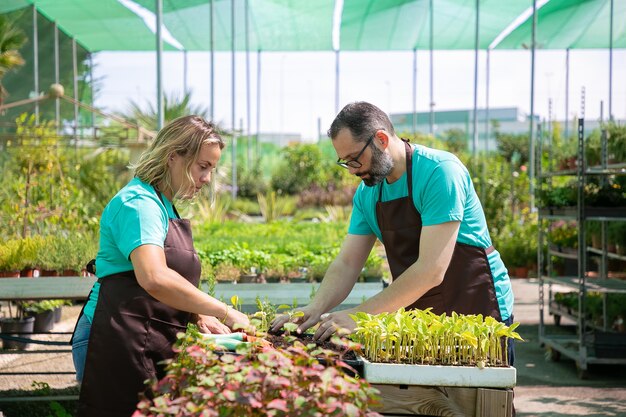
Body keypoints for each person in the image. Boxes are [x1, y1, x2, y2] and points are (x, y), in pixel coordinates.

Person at [271, 101, 515, 364]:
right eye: (345, 163)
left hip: (476, 306)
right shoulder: (368, 192)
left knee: (482, 399)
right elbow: (347, 263)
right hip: (421, 313)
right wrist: (314, 308)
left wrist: (360, 315)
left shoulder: (439, 172)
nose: (352, 170)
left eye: (355, 159)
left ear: (381, 139)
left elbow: (432, 269)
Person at [73, 115, 250, 417]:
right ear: (173, 158)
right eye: (202, 166)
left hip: (142, 334)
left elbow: (167, 278)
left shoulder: (162, 204)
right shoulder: (139, 204)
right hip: (113, 335)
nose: (207, 178)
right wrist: (224, 310)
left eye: (212, 168)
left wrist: (198, 315)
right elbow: (154, 277)